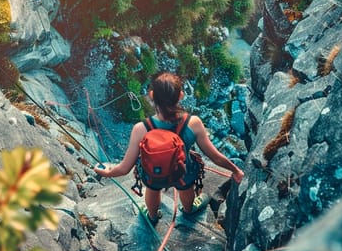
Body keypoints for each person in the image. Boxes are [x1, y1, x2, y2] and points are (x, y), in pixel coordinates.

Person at [94, 72, 245, 225]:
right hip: (182, 172)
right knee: (186, 184)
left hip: (154, 174)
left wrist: (106, 172)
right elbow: (215, 157)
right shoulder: (193, 123)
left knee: (152, 188)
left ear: (152, 96)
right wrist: (236, 171)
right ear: (180, 96)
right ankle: (188, 209)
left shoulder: (141, 128)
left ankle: (152, 215)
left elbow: (124, 168)